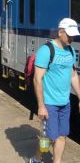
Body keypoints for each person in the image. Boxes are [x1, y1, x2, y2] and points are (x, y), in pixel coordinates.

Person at [30, 18, 80, 163]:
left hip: (65, 103)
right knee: (49, 138)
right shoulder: (46, 51)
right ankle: (36, 158)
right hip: (49, 103)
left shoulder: (71, 51)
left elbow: (73, 76)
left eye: (74, 34)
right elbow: (37, 79)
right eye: (69, 34)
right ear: (60, 32)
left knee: (63, 136)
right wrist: (41, 106)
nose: (72, 37)